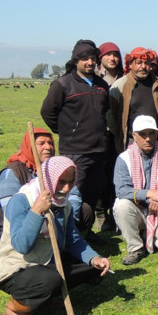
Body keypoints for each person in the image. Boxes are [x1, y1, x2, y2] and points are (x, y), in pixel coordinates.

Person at [0, 156, 111, 315]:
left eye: (70, 182)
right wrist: (36, 212)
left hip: (47, 262)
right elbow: (21, 245)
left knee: (93, 268)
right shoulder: (22, 201)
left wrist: (94, 259)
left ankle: (46, 297)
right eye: (61, 182)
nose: (66, 188)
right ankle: (15, 309)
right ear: (48, 179)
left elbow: (72, 239)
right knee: (51, 280)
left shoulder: (64, 205)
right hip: (16, 268)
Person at [40, 40, 110, 240]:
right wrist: (67, 131)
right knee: (72, 196)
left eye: (93, 58)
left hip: (99, 150)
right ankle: (69, 237)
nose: (90, 62)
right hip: (75, 151)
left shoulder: (101, 85)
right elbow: (47, 112)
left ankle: (86, 232)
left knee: (92, 194)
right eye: (84, 58)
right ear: (75, 60)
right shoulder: (62, 84)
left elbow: (104, 113)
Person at [0, 128, 87, 246]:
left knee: (85, 211)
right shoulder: (12, 172)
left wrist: (68, 217)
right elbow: (10, 210)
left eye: (50, 143)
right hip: (16, 226)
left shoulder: (54, 167)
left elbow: (72, 192)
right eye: (41, 143)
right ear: (30, 146)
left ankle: (69, 241)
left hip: (50, 217)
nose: (48, 147)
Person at [113, 115, 158, 265]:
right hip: (136, 209)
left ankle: (148, 237)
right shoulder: (123, 158)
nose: (147, 138)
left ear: (157, 134)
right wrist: (150, 194)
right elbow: (122, 189)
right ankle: (135, 248)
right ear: (134, 135)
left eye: (151, 133)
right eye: (142, 134)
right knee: (121, 206)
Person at [108, 47, 158, 154]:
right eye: (139, 62)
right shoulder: (120, 85)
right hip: (131, 140)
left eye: (146, 63)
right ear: (130, 65)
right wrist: (121, 134)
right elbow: (111, 116)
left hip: (156, 140)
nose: (143, 66)